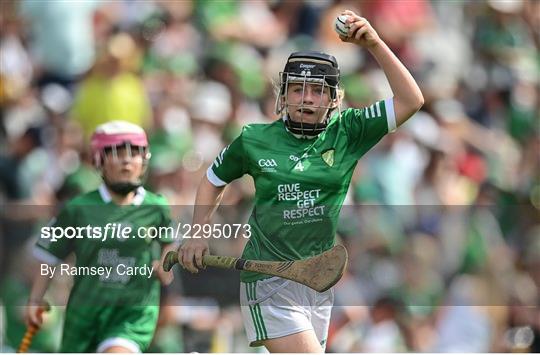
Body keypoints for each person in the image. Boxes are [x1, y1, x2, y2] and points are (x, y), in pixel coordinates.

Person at [178, 10, 424, 353]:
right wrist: (198, 232)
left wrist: (375, 43)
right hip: (268, 281)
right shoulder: (253, 139)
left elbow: (412, 100)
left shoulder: (349, 131)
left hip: (317, 282)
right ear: (283, 95)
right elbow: (211, 180)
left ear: (334, 98)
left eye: (316, 91)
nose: (306, 99)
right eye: (296, 89)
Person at [25, 121, 176, 352]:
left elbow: (170, 244)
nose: (127, 160)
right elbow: (48, 257)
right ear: (99, 160)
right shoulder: (77, 209)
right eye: (118, 153)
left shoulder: (157, 207)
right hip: (84, 315)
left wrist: (166, 265)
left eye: (135, 153)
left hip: (132, 313)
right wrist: (35, 300)